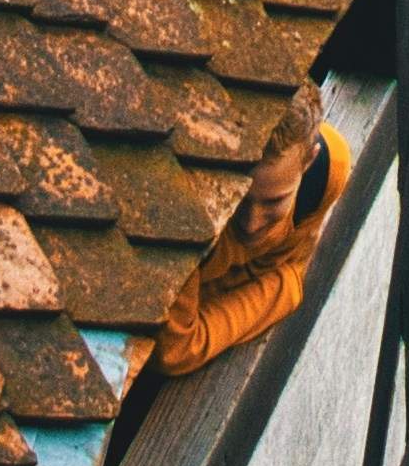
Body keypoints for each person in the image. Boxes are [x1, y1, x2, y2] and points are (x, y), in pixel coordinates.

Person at [148, 91, 347, 377]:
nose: (252, 224)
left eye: (274, 201)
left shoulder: (327, 173)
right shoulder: (189, 220)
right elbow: (174, 351)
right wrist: (287, 289)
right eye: (238, 199)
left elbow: (282, 258)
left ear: (309, 161)